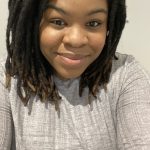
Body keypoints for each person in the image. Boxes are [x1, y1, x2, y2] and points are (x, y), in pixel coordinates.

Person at [0, 0, 150, 149]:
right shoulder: (7, 77)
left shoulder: (125, 74)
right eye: (58, 21)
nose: (76, 40)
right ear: (31, 21)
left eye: (93, 23)